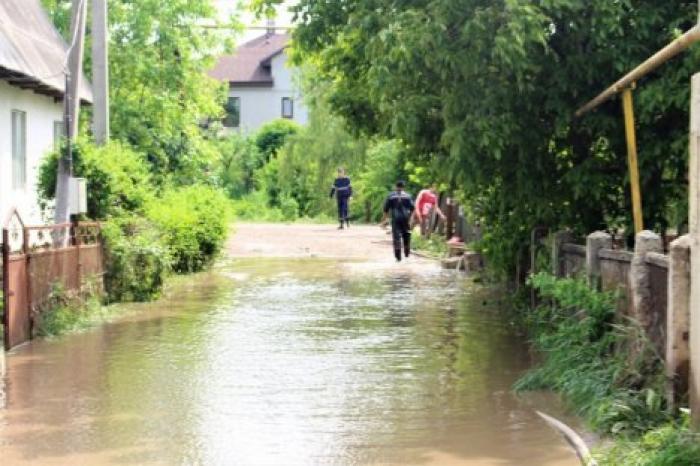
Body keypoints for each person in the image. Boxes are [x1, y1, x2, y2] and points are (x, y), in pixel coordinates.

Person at [381, 180, 415, 262]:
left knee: (396, 238)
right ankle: (407, 254)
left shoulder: (391, 196)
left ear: (395, 187)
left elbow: (386, 210)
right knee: (406, 235)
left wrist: (384, 220)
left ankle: (398, 257)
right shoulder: (408, 196)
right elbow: (413, 209)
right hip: (406, 218)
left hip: (396, 219)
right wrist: (411, 220)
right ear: (404, 187)